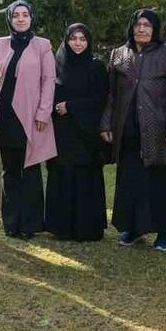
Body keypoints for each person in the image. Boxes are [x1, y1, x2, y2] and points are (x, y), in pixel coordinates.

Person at [100, 9, 166, 252]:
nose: (142, 29)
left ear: (155, 29)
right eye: (138, 24)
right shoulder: (118, 55)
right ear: (132, 28)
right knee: (131, 182)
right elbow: (110, 94)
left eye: (147, 25)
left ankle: (164, 233)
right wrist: (106, 123)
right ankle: (132, 228)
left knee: (161, 183)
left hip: (160, 132)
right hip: (127, 131)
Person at [0, 0, 56, 239]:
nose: (20, 19)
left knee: (30, 169)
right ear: (10, 19)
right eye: (15, 15)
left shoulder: (42, 46)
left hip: (31, 116)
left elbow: (49, 80)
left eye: (25, 14)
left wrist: (43, 112)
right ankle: (11, 223)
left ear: (31, 18)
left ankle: (30, 224)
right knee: (10, 170)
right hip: (5, 115)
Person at [45, 23, 110, 242]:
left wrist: (71, 106)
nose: (78, 43)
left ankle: (87, 228)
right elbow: (47, 93)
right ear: (66, 41)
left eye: (83, 39)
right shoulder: (56, 65)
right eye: (73, 38)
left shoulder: (96, 66)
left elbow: (100, 98)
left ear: (89, 42)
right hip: (61, 133)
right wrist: (57, 107)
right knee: (62, 174)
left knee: (85, 177)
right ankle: (62, 227)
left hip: (86, 134)